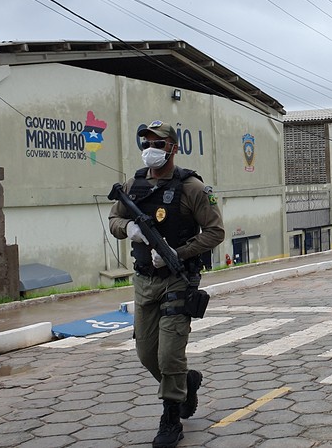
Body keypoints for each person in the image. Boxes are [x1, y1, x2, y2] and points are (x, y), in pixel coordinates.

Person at [109, 120, 224, 448]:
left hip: (178, 278)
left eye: (159, 144)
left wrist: (179, 251)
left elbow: (215, 232)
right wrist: (128, 228)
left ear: (173, 148)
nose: (151, 149)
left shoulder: (193, 189)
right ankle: (186, 384)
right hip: (145, 280)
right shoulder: (133, 184)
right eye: (146, 142)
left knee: (170, 354)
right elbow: (114, 218)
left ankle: (171, 419)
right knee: (147, 354)